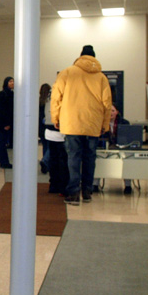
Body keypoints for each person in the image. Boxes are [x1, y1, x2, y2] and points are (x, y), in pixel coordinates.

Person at [51, 45, 111, 205]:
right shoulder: (102, 77)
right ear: (94, 57)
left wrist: (56, 118)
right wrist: (105, 124)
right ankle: (87, 192)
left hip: (72, 123)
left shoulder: (67, 73)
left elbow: (56, 98)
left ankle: (73, 193)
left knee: (73, 157)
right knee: (90, 158)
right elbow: (107, 103)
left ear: (80, 56)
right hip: (93, 123)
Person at [93, 105, 133, 194]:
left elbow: (128, 137)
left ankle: (128, 185)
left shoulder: (124, 122)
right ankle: (95, 184)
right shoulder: (100, 122)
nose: (111, 113)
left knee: (127, 161)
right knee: (98, 160)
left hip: (121, 148)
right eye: (109, 111)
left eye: (113, 110)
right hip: (104, 148)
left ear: (117, 112)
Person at [43, 86, 69, 195]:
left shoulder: (50, 96)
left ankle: (54, 185)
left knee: (53, 161)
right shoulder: (66, 95)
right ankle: (63, 187)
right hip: (63, 132)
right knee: (63, 162)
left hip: (50, 132)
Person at [0, 76, 14, 168]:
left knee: (3, 141)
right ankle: (4, 161)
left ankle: (2, 160)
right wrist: (6, 123)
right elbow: (2, 110)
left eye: (13, 81)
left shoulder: (11, 94)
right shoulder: (3, 94)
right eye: (10, 81)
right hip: (4, 122)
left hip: (8, 122)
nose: (12, 83)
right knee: (3, 141)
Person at [39, 83, 52, 174]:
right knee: (51, 146)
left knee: (45, 146)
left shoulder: (39, 101)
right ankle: (46, 161)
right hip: (48, 126)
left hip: (41, 128)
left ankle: (45, 163)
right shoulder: (49, 102)